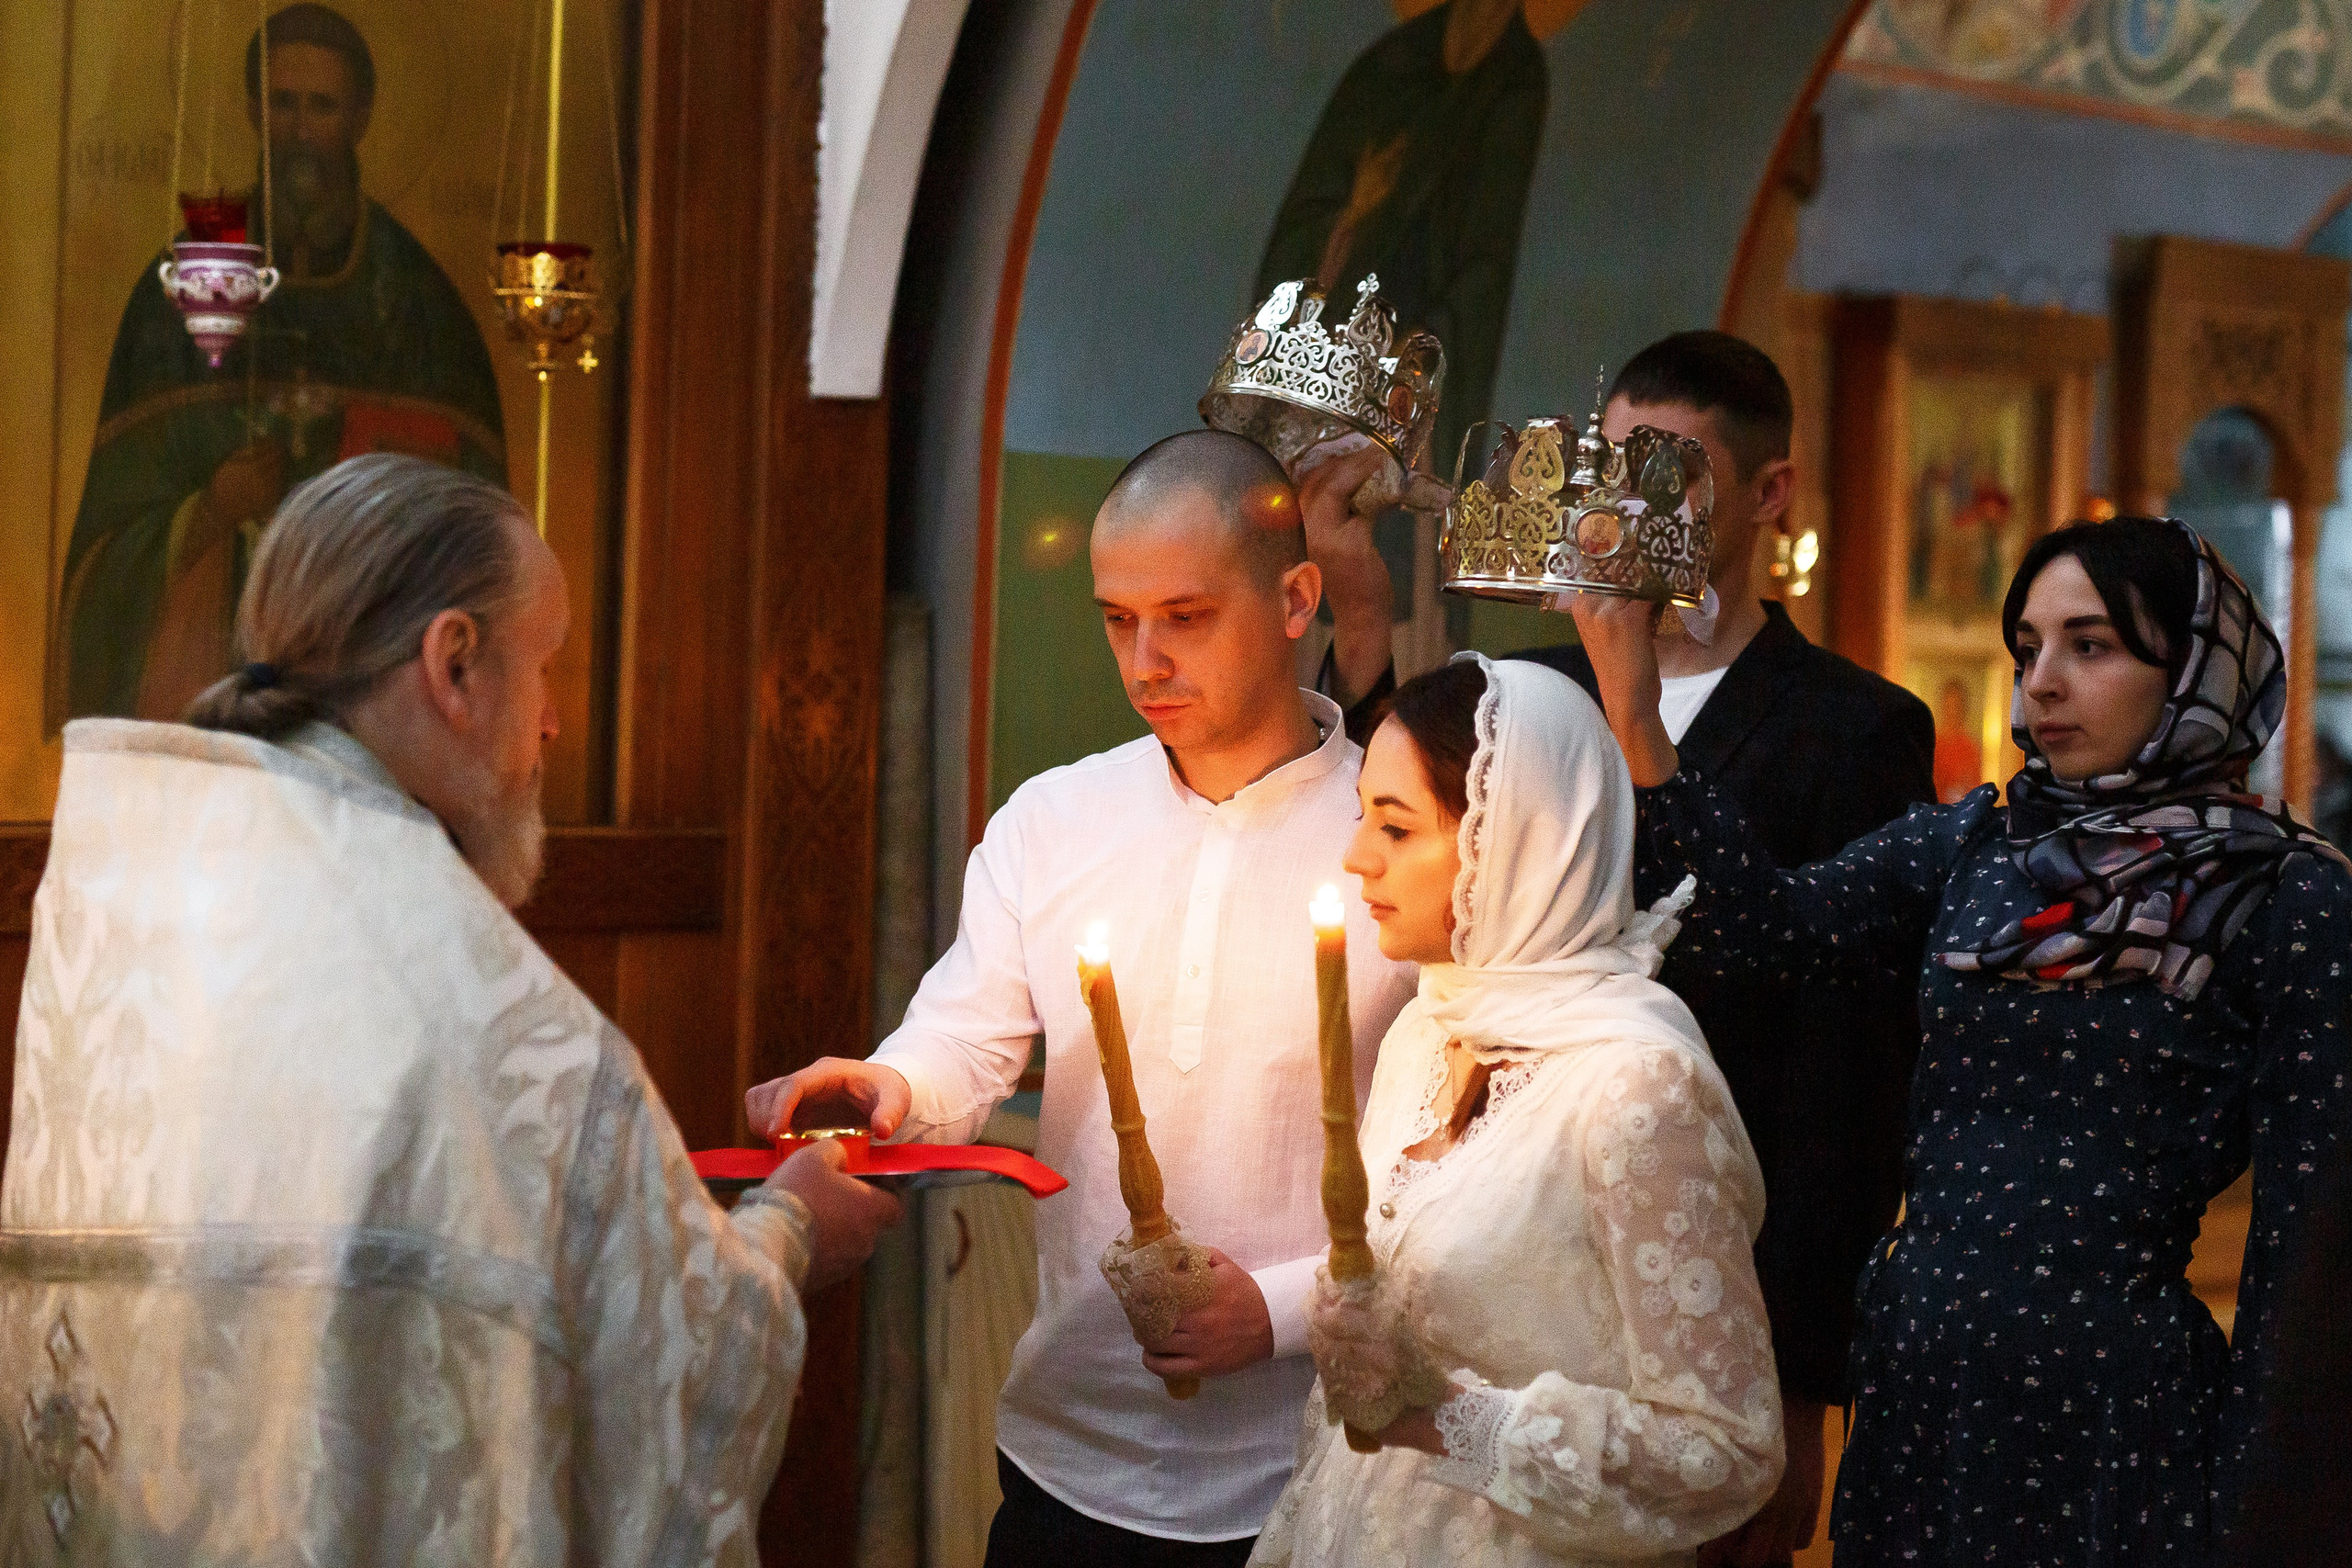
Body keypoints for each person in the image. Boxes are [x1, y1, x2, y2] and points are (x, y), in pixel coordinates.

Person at [1, 454, 899, 1563]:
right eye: (545, 664)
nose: (556, 720)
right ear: (455, 663)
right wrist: (794, 1223)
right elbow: (683, 1362)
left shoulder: (126, 914)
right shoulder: (495, 1022)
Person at [1570, 515, 2352, 1564]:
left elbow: (2308, 1249)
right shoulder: (1978, 843)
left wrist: (2263, 1516)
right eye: (2027, 647)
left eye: (2091, 645)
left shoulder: (2281, 894)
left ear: (2196, 669)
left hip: (2111, 1403)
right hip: (1922, 1374)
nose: (2041, 682)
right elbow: (1759, 925)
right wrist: (1633, 710)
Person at [1307, 330, 1932, 1565]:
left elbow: (1841, 1068)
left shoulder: (1854, 727)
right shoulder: (1533, 689)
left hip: (1700, 1262)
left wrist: (1802, 1382)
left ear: (1768, 492)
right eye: (1615, 470)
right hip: (1507, 1236)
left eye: (1678, 479)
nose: (1628, 513)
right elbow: (1419, 813)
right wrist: (1366, 614)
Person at [747, 430, 1419, 1565]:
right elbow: (964, 1037)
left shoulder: (1396, 838)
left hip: (1320, 1467)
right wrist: (884, 1087)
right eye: (1117, 618)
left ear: (1298, 597)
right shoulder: (1054, 821)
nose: (1144, 659)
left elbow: (1460, 1174)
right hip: (1069, 1456)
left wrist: (1282, 1310)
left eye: (1185, 616)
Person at [1251, 653, 1782, 1565]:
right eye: (1360, 817)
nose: (1356, 857)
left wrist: (1445, 1421)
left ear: (1513, 845)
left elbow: (1725, 1452)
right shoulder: (1428, 1030)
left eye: (1396, 826)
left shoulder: (1635, 1087)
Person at [54, 3, 506, 728]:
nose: (300, 130)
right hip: (211, 691)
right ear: (251, 112)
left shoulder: (423, 309)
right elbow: (104, 559)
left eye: (321, 106)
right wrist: (209, 510)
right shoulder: (179, 291)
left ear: (360, 116)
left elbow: (479, 548)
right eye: (282, 103)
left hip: (367, 703)